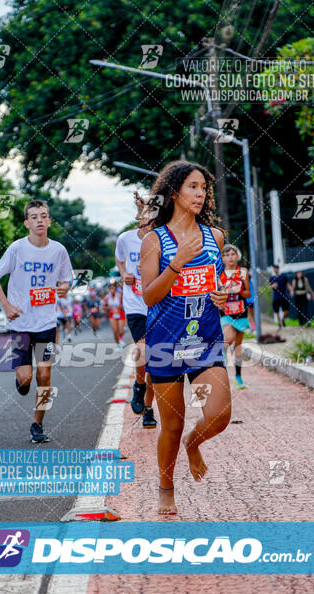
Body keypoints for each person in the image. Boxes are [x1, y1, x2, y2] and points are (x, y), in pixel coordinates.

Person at [140, 160, 230, 515]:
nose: (200, 193)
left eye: (204, 188)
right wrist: (176, 262)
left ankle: (195, 444)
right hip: (165, 342)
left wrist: (220, 294)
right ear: (175, 192)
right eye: (193, 186)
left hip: (206, 338)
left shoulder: (215, 237)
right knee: (172, 425)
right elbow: (149, 296)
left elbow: (213, 284)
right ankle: (166, 486)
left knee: (220, 412)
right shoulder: (154, 240)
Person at [0, 199, 73, 443]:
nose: (39, 220)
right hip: (19, 325)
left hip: (46, 323)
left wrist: (65, 287)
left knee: (44, 376)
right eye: (34, 216)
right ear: (27, 223)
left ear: (49, 221)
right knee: (26, 378)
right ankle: (21, 381)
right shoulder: (17, 248)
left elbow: (66, 280)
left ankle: (37, 424)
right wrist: (6, 306)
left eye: (43, 216)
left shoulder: (58, 250)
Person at [115, 195, 157, 429]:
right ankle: (139, 385)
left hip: (158, 304)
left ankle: (149, 409)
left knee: (157, 359)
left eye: (153, 213)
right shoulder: (125, 239)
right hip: (135, 304)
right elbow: (119, 259)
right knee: (143, 351)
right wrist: (124, 274)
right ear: (138, 216)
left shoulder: (163, 239)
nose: (149, 218)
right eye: (146, 213)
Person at [219, 244, 251, 390]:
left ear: (237, 257)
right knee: (228, 338)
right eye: (226, 255)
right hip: (226, 313)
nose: (230, 257)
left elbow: (248, 294)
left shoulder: (243, 272)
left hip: (241, 312)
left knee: (238, 347)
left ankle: (238, 377)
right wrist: (224, 292)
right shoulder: (220, 274)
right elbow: (217, 293)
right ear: (223, 258)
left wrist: (239, 290)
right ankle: (222, 352)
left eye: (233, 254)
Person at [103, 282, 126, 349]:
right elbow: (103, 307)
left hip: (120, 313)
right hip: (112, 315)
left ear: (116, 288)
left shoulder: (119, 296)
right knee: (115, 331)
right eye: (110, 288)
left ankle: (121, 340)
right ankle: (118, 344)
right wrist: (108, 307)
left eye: (113, 288)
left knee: (121, 331)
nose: (112, 290)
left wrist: (120, 306)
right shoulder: (107, 297)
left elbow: (124, 304)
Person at [269, 265, 292, 329]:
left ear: (278, 269)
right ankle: (279, 324)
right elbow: (269, 288)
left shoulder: (283, 276)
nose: (274, 270)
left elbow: (287, 284)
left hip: (283, 296)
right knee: (277, 312)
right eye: (273, 268)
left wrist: (291, 290)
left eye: (275, 268)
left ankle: (282, 320)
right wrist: (273, 286)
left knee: (286, 311)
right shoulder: (272, 278)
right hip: (276, 297)